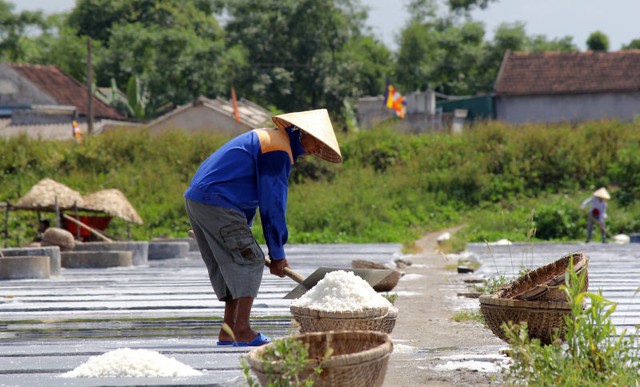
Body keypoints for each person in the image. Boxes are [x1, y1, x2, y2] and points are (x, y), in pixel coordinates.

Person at [184, 109, 342, 347]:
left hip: (200, 200)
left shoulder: (269, 139)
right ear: (302, 133)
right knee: (250, 261)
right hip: (216, 201)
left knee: (232, 263)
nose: (317, 150)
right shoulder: (278, 149)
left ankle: (228, 331)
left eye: (321, 148)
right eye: (317, 143)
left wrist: (245, 236)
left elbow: (249, 196)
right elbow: (273, 204)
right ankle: (243, 329)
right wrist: (277, 254)